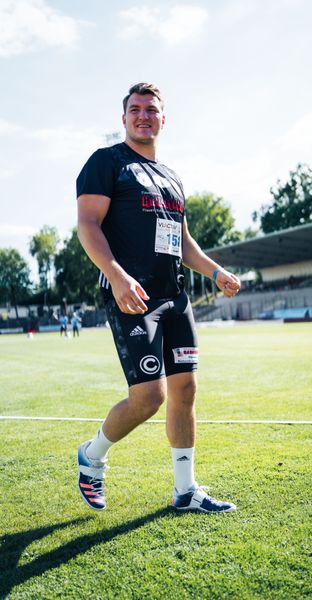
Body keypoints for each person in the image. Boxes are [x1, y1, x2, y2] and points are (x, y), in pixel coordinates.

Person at [76, 82, 241, 513]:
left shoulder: (171, 177)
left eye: (152, 109)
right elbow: (88, 225)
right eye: (135, 109)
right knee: (150, 397)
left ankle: (185, 491)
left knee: (185, 389)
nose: (143, 115)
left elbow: (182, 242)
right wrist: (116, 276)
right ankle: (91, 458)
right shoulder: (107, 163)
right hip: (133, 295)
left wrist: (216, 271)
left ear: (163, 119)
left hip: (175, 296)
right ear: (124, 118)